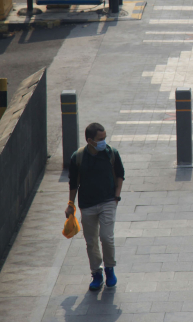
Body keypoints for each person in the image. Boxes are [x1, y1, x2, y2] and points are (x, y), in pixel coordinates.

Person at [65, 123, 125, 292]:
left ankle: (109, 269)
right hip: (88, 205)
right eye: (100, 139)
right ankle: (96, 273)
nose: (104, 142)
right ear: (90, 140)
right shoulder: (78, 157)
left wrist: (116, 196)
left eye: (105, 138)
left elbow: (120, 174)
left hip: (108, 201)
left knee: (106, 237)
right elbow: (73, 183)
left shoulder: (111, 153)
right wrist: (70, 205)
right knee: (91, 241)